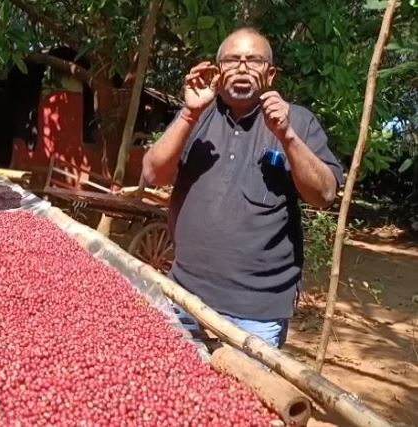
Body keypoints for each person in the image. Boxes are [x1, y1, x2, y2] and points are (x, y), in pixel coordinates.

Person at [142, 27, 344, 348]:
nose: (242, 68)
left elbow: (323, 195)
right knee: (172, 389)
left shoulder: (299, 121)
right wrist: (189, 113)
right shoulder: (198, 116)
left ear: (271, 73)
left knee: (244, 397)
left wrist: (286, 134)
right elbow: (153, 174)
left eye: (254, 61)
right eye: (232, 60)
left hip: (258, 313)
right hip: (184, 294)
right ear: (217, 70)